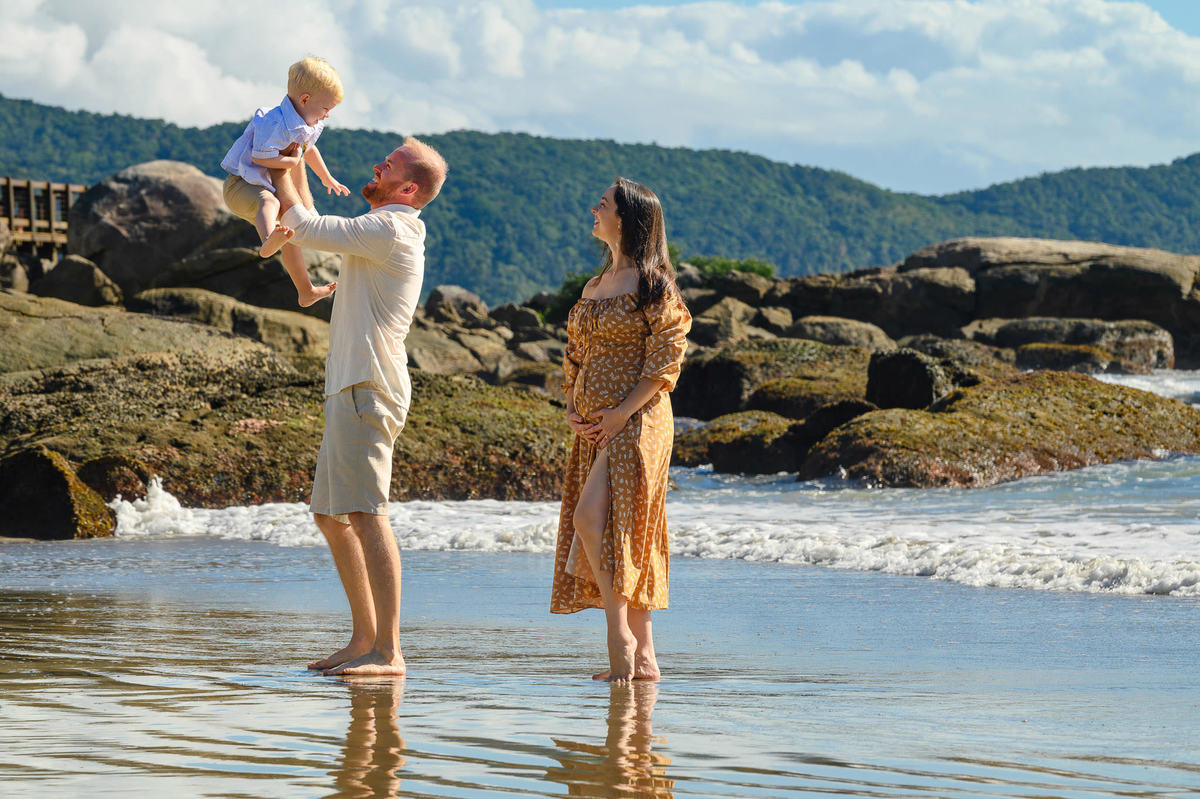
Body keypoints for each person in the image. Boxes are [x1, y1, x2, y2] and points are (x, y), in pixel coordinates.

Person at [272, 137, 448, 676]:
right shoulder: (379, 230)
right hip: (350, 385)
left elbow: (301, 225)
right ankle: (363, 639)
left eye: (389, 164)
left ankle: (388, 652)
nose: (378, 165)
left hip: (368, 386)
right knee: (330, 515)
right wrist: (295, 163)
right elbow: (311, 218)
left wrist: (278, 164)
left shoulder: (390, 229)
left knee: (368, 514)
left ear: (408, 187)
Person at [551, 177, 692, 683]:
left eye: (603, 205)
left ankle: (620, 635)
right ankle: (646, 657)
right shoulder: (592, 288)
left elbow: (666, 360)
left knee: (592, 521)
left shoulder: (653, 285)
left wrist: (620, 414)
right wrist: (573, 406)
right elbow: (574, 357)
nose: (594, 209)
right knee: (622, 531)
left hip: (638, 420)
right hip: (593, 426)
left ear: (628, 218)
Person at [220, 56, 349, 307]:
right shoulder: (274, 122)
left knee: (291, 235)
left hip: (265, 186)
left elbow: (308, 150)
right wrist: (291, 163)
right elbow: (261, 156)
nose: (328, 115)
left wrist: (326, 177)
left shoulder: (308, 122)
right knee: (269, 203)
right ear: (304, 100)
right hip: (242, 186)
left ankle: (306, 291)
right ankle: (268, 240)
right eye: (326, 108)